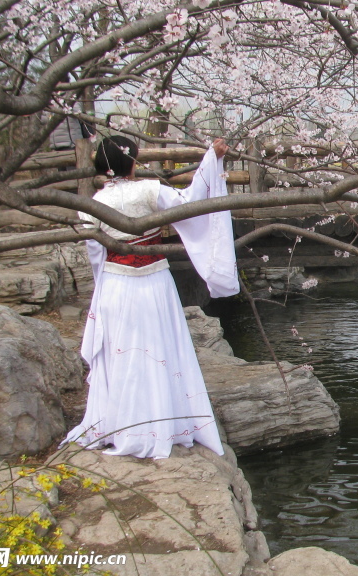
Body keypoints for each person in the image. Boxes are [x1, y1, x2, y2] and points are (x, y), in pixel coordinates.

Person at [63, 135, 239, 459]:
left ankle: (121, 424)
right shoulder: (148, 190)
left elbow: (95, 257)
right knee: (159, 349)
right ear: (131, 161)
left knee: (123, 354)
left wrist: (101, 291)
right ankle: (165, 422)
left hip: (115, 285)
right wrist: (211, 160)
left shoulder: (91, 206)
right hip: (154, 280)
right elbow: (192, 201)